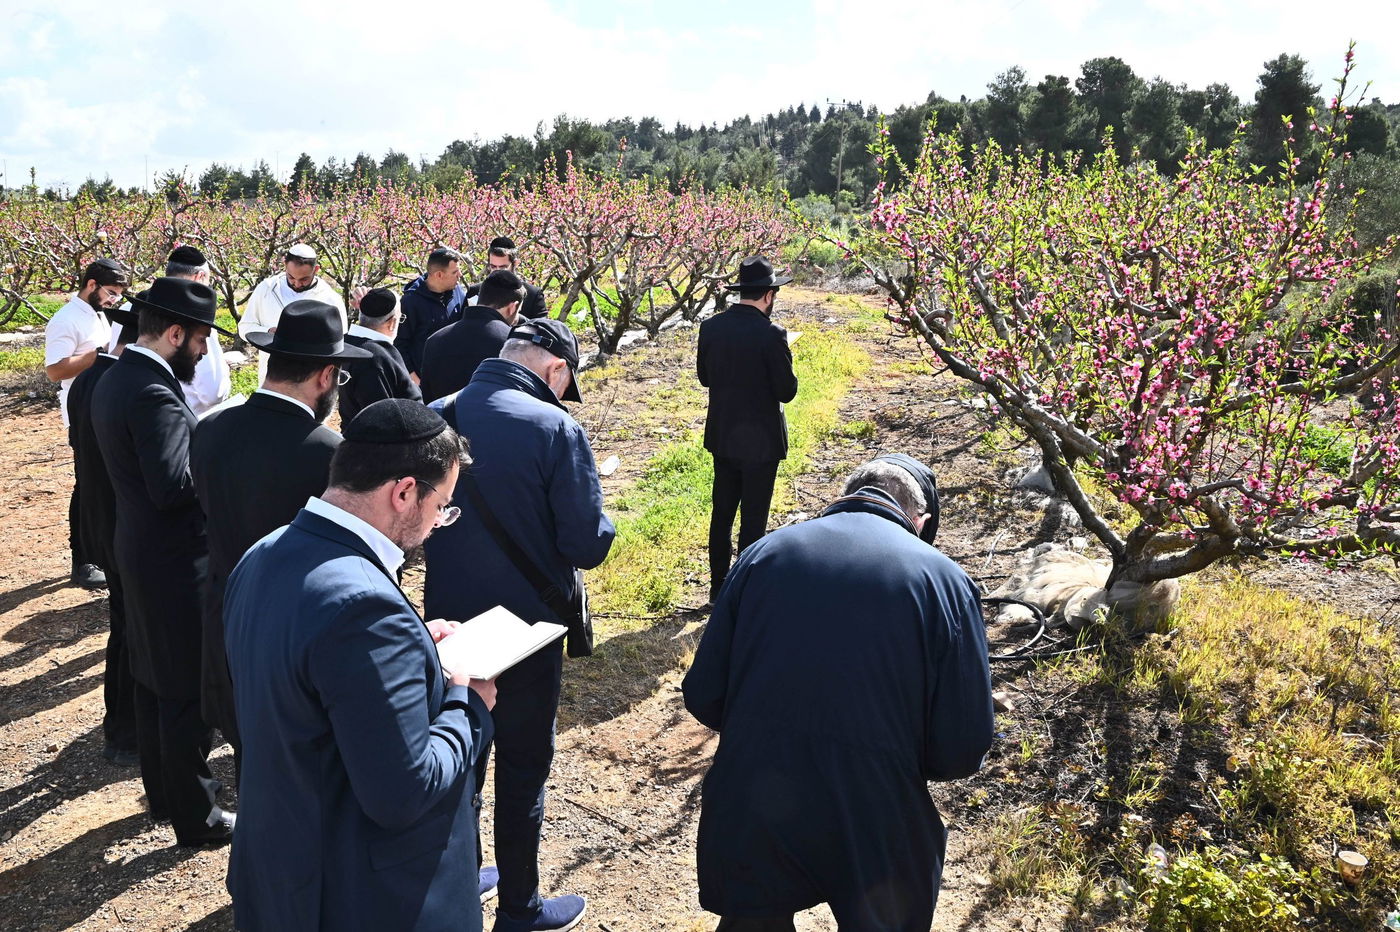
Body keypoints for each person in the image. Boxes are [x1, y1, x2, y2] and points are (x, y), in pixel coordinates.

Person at [682, 455, 994, 932]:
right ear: (921, 521)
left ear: (844, 496)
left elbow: (704, 694)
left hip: (755, 795)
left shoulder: (764, 553)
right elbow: (961, 749)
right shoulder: (947, 583)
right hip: (876, 810)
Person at [223, 399, 496, 932]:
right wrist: (467, 702)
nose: (441, 522)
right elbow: (404, 792)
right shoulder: (364, 607)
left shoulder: (263, 554)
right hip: (360, 895)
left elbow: (310, 692)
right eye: (443, 505)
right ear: (404, 492)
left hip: (280, 864)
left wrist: (417, 645)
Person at [425, 318, 614, 932]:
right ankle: (519, 908)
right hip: (527, 629)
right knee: (524, 766)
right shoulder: (556, 427)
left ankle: (462, 882)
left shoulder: (435, 415)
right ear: (555, 370)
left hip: (449, 626)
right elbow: (585, 544)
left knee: (460, 756)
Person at [191, 300, 369, 771]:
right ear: (327, 376)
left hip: (224, 618)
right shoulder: (331, 454)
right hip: (295, 639)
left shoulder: (209, 429)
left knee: (250, 755)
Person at [92, 277, 238, 846]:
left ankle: (161, 790)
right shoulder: (153, 392)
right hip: (174, 559)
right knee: (182, 688)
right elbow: (172, 485)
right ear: (175, 333)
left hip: (138, 546)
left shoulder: (117, 375)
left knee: (151, 676)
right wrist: (218, 459)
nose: (203, 353)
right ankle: (196, 814)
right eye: (200, 340)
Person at [697, 255, 799, 601]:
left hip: (724, 436)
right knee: (753, 519)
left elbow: (704, 378)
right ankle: (742, 593)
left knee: (722, 512)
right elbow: (787, 391)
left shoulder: (711, 328)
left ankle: (716, 587)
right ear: (769, 295)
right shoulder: (773, 335)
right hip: (761, 443)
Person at [66, 301, 141, 766]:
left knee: (123, 628)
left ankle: (121, 729)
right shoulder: (124, 386)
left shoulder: (88, 380)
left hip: (100, 520)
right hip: (123, 526)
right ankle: (124, 732)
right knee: (132, 632)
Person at [45, 257, 131, 588]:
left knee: (101, 483)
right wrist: (99, 356)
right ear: (91, 285)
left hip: (101, 408)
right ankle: (82, 559)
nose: (113, 300)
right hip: (81, 413)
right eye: (110, 293)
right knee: (86, 485)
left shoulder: (98, 314)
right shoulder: (65, 320)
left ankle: (101, 550)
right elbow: (54, 370)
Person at [238, 244, 347, 384]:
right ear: (285, 265)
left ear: (316, 270)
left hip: (311, 382)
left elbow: (339, 346)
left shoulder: (330, 299)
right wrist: (267, 332)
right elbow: (244, 328)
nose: (297, 283)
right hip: (271, 379)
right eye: (291, 277)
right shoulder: (267, 289)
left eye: (304, 279)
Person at [419, 269, 525, 404]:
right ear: (512, 307)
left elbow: (427, 396)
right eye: (518, 311)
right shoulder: (512, 344)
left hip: (443, 421)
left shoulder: (435, 339)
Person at [162, 245, 233, 417]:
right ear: (200, 276)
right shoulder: (197, 320)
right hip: (187, 418)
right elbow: (212, 393)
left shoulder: (133, 306)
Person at [341, 287, 422, 423]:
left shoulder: (345, 344)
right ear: (392, 323)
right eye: (400, 318)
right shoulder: (378, 357)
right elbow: (383, 417)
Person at [395, 246, 467, 383]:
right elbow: (400, 344)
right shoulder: (410, 302)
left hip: (453, 378)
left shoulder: (458, 292)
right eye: (455, 272)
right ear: (439, 275)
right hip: (424, 382)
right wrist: (414, 380)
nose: (460, 275)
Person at [465, 237, 547, 319]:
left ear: (515, 263)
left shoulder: (533, 295)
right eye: (493, 267)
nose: (497, 272)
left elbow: (541, 328)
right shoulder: (474, 291)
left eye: (503, 267)